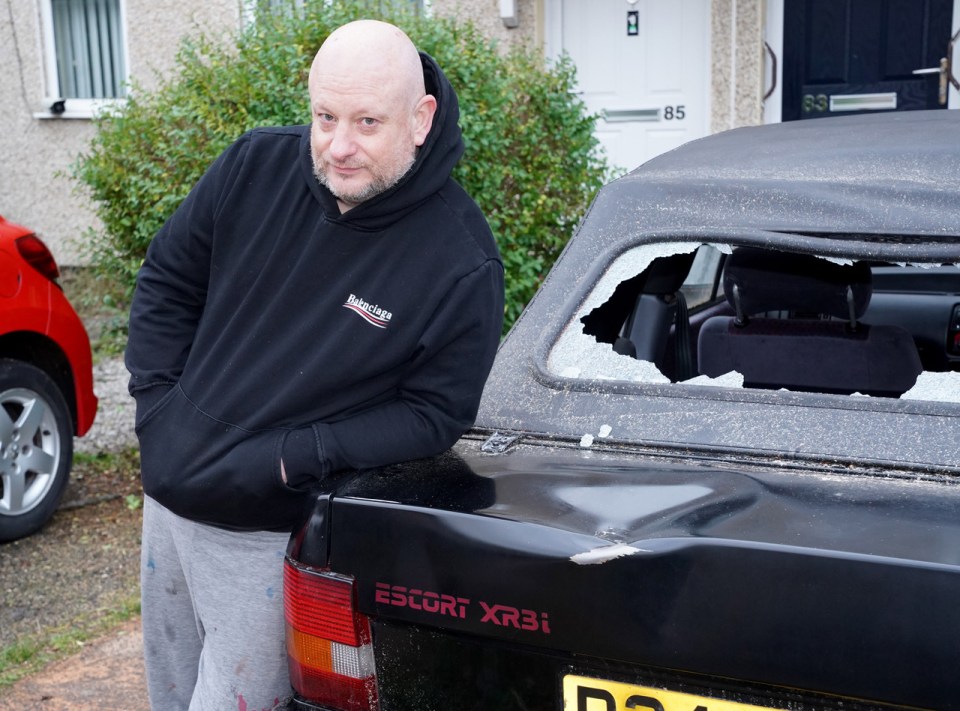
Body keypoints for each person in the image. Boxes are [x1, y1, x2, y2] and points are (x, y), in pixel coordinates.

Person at [125, 20, 504, 710]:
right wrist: (156, 403)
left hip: (265, 536)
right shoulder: (253, 168)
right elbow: (167, 277)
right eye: (324, 117)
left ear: (420, 120)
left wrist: (293, 457)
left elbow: (435, 412)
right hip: (167, 509)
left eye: (366, 122)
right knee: (168, 695)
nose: (338, 146)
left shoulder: (459, 259)